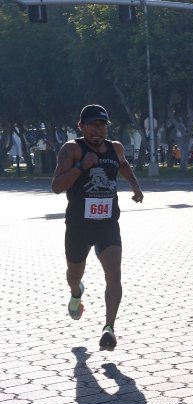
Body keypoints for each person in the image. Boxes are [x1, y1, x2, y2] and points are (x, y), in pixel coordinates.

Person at [51, 104, 144, 351]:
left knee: (114, 272)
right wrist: (82, 166)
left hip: (107, 224)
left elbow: (123, 164)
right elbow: (57, 186)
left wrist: (135, 187)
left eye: (102, 125)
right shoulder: (72, 149)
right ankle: (75, 292)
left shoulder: (115, 148)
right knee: (74, 275)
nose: (97, 130)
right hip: (78, 226)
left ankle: (109, 328)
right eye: (92, 125)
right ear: (81, 126)